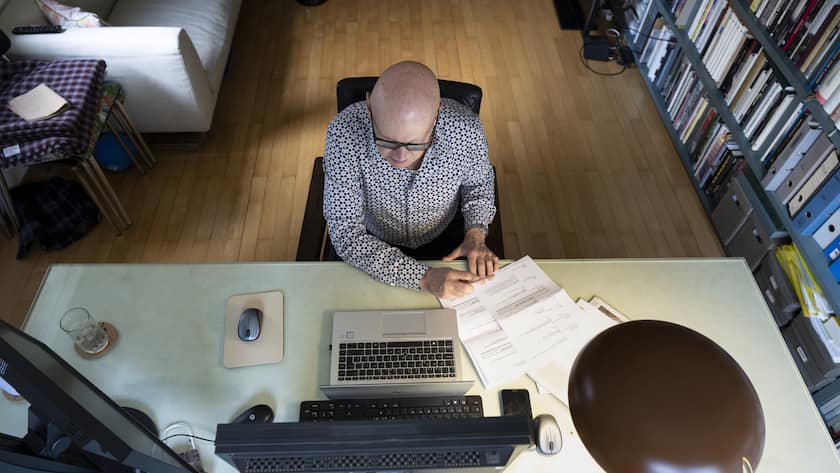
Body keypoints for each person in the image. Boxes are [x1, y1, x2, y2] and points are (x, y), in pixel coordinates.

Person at [323, 61, 499, 299]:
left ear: (437, 112)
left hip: (447, 237)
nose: (401, 156)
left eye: (415, 144)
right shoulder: (344, 133)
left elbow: (478, 185)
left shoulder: (465, 130)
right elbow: (346, 231)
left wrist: (475, 232)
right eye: (386, 141)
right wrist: (423, 277)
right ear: (369, 107)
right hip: (372, 243)